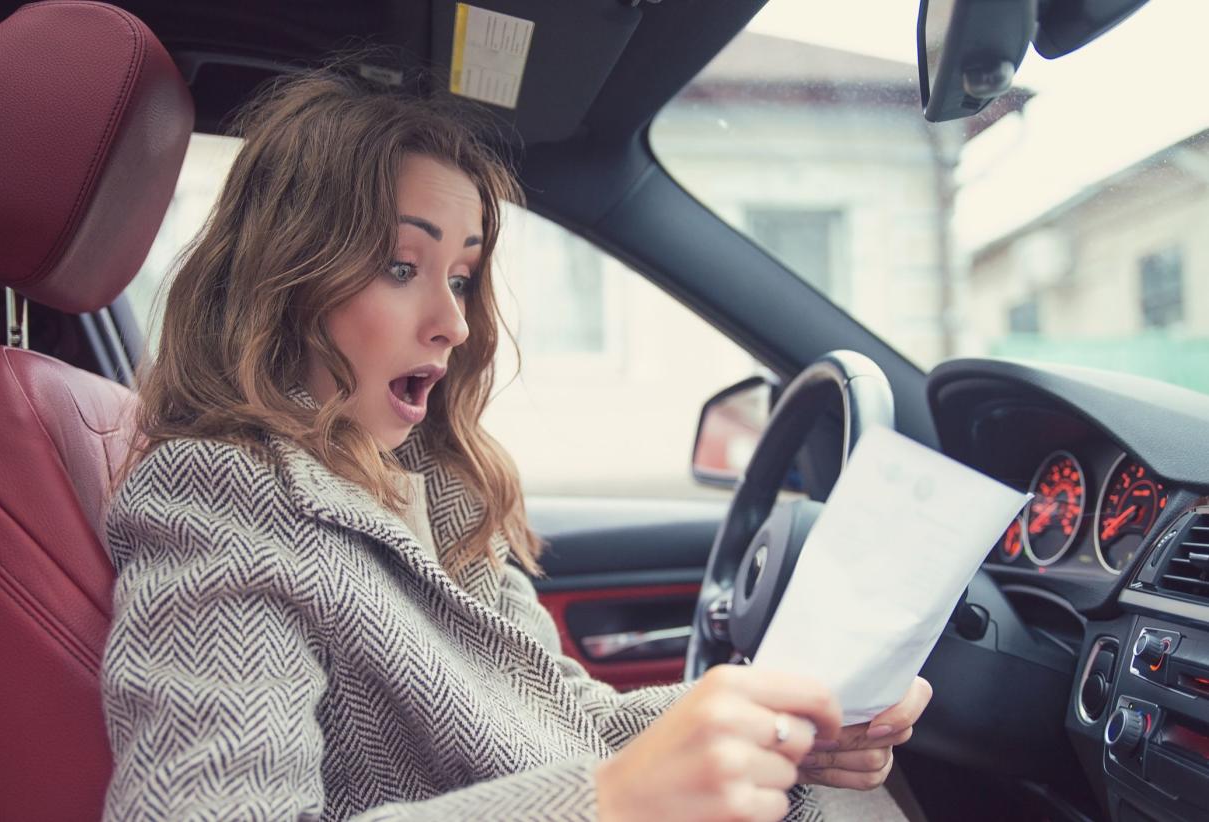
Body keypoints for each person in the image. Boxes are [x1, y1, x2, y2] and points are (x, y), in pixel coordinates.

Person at [100, 62, 931, 822]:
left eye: (460, 277)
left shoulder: (431, 485)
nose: (454, 323)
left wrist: (768, 725)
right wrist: (607, 803)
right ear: (286, 278)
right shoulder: (219, 492)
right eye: (400, 267)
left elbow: (566, 719)